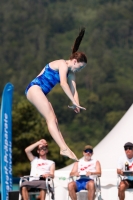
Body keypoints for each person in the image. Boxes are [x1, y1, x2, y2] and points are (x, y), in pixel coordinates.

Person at [25, 28, 87, 162]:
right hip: (34, 89)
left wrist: (77, 103)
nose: (80, 70)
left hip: (40, 92)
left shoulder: (71, 73)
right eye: (80, 67)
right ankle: (63, 148)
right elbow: (64, 84)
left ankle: (65, 148)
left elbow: (74, 90)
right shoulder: (62, 64)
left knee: (54, 120)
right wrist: (73, 101)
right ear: (75, 62)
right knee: (50, 119)